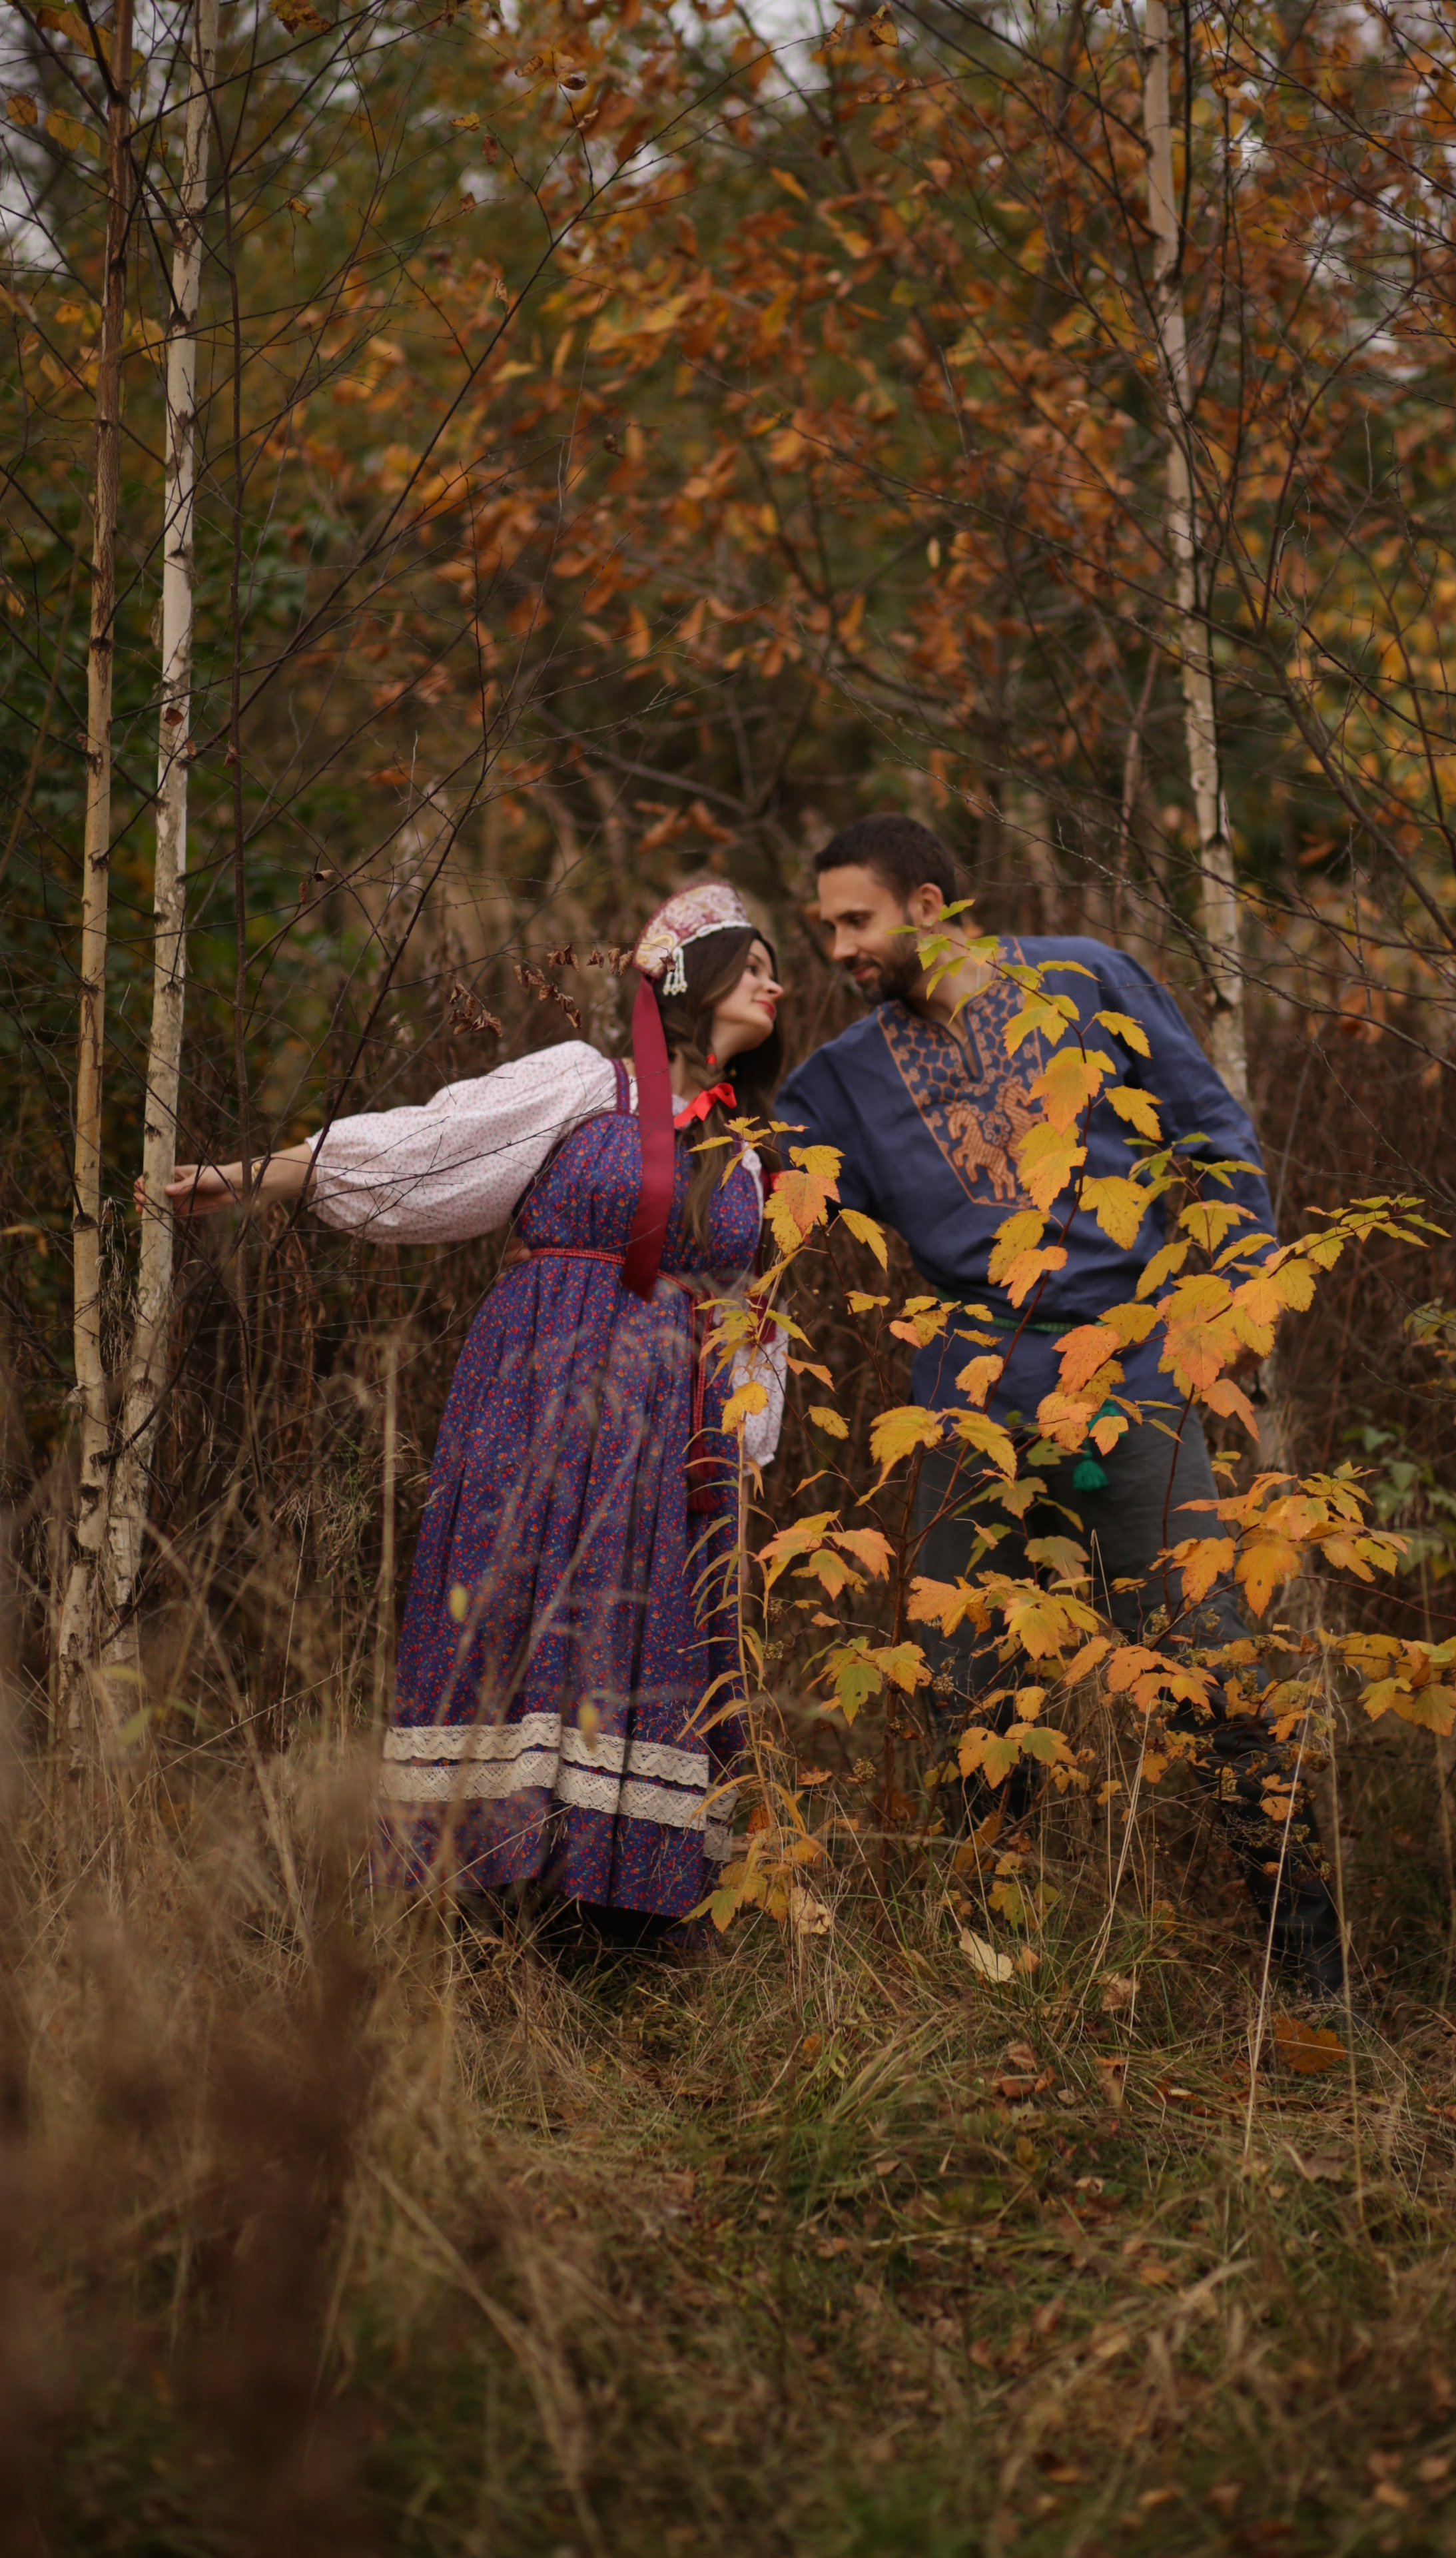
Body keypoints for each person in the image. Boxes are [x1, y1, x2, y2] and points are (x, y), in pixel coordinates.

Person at [147, 883, 787, 1938]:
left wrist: (740, 1440)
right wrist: (259, 1176)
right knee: (516, 1603)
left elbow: (747, 1312)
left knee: (645, 1626)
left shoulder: (748, 1155)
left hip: (671, 1427)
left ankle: (615, 1911)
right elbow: (432, 1148)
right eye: (755, 963)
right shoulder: (588, 1086)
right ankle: (487, 1901)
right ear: (691, 979)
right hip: (541, 1384)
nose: (777, 982)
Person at [775, 814, 1345, 1998]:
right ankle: (994, 1969)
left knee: (1207, 1673)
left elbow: (1214, 1136)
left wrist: (1233, 1308)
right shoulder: (844, 1077)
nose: (837, 946)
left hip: (1135, 1381)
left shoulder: (1084, 978)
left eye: (855, 920)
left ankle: (1309, 1968)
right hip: (970, 1409)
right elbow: (741, 1186)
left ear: (929, 905)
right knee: (960, 1684)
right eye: (822, 926)